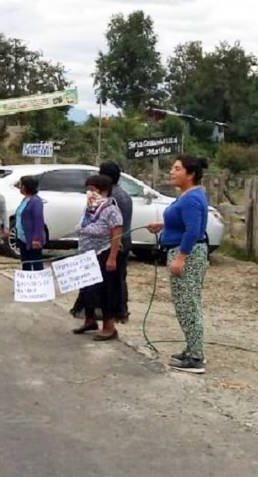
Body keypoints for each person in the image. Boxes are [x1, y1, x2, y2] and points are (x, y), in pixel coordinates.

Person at [147, 155, 211, 374]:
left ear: (190, 174)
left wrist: (181, 257)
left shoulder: (191, 198)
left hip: (189, 254)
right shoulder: (189, 195)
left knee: (187, 305)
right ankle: (192, 347)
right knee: (186, 304)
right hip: (185, 250)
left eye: (177, 169)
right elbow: (184, 223)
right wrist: (163, 226)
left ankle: (196, 357)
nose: (171, 172)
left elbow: (193, 230)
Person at [71, 175, 124, 341]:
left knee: (105, 291)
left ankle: (109, 327)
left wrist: (112, 258)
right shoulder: (90, 207)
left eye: (92, 190)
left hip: (104, 253)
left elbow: (116, 233)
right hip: (87, 253)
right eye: (88, 189)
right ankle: (90, 320)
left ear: (103, 191)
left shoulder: (111, 209)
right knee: (87, 289)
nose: (89, 192)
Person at [100, 161, 132, 322]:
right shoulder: (123, 194)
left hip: (115, 244)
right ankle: (120, 312)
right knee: (119, 279)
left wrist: (112, 253)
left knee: (113, 283)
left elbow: (116, 227)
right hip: (121, 241)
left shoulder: (113, 198)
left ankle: (116, 314)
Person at [14, 176, 45, 271]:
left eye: (21, 185)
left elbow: (38, 220)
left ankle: (38, 282)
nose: (19, 187)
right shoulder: (25, 200)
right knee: (25, 263)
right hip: (22, 238)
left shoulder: (36, 201)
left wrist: (36, 239)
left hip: (32, 238)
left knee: (36, 263)